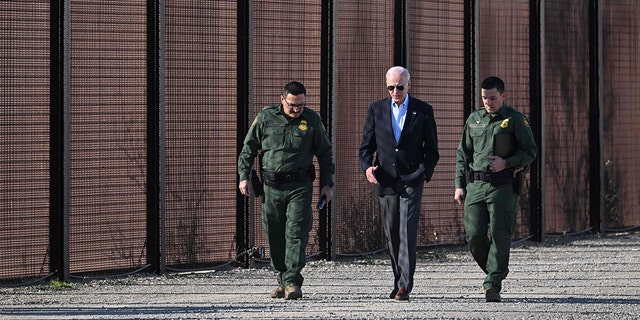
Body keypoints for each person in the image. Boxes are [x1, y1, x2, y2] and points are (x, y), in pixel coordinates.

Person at [238, 81, 335, 300]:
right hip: (272, 187)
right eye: (292, 105)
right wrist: (244, 176)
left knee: (296, 232)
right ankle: (282, 278)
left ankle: (293, 281)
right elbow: (248, 148)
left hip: (299, 186)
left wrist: (327, 184)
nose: (296, 109)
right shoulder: (265, 117)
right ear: (282, 100)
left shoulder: (311, 120)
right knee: (274, 234)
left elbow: (325, 153)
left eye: (300, 105)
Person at [359, 66, 439, 301]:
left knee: (407, 229)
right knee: (392, 231)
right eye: (391, 87)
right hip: (385, 179)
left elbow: (432, 149)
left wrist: (424, 171)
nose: (395, 91)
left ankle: (404, 284)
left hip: (412, 178)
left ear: (409, 85)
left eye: (400, 87)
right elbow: (366, 147)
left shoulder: (423, 111)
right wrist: (367, 168)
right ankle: (397, 279)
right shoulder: (376, 110)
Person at [454, 76, 537, 302]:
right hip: (476, 186)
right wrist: (459, 185)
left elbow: (530, 151)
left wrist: (507, 163)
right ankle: (496, 269)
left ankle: (493, 284)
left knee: (500, 235)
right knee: (473, 235)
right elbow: (463, 155)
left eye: (492, 98)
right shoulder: (474, 119)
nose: (488, 102)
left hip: (502, 186)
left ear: (503, 96)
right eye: (484, 98)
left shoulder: (515, 120)